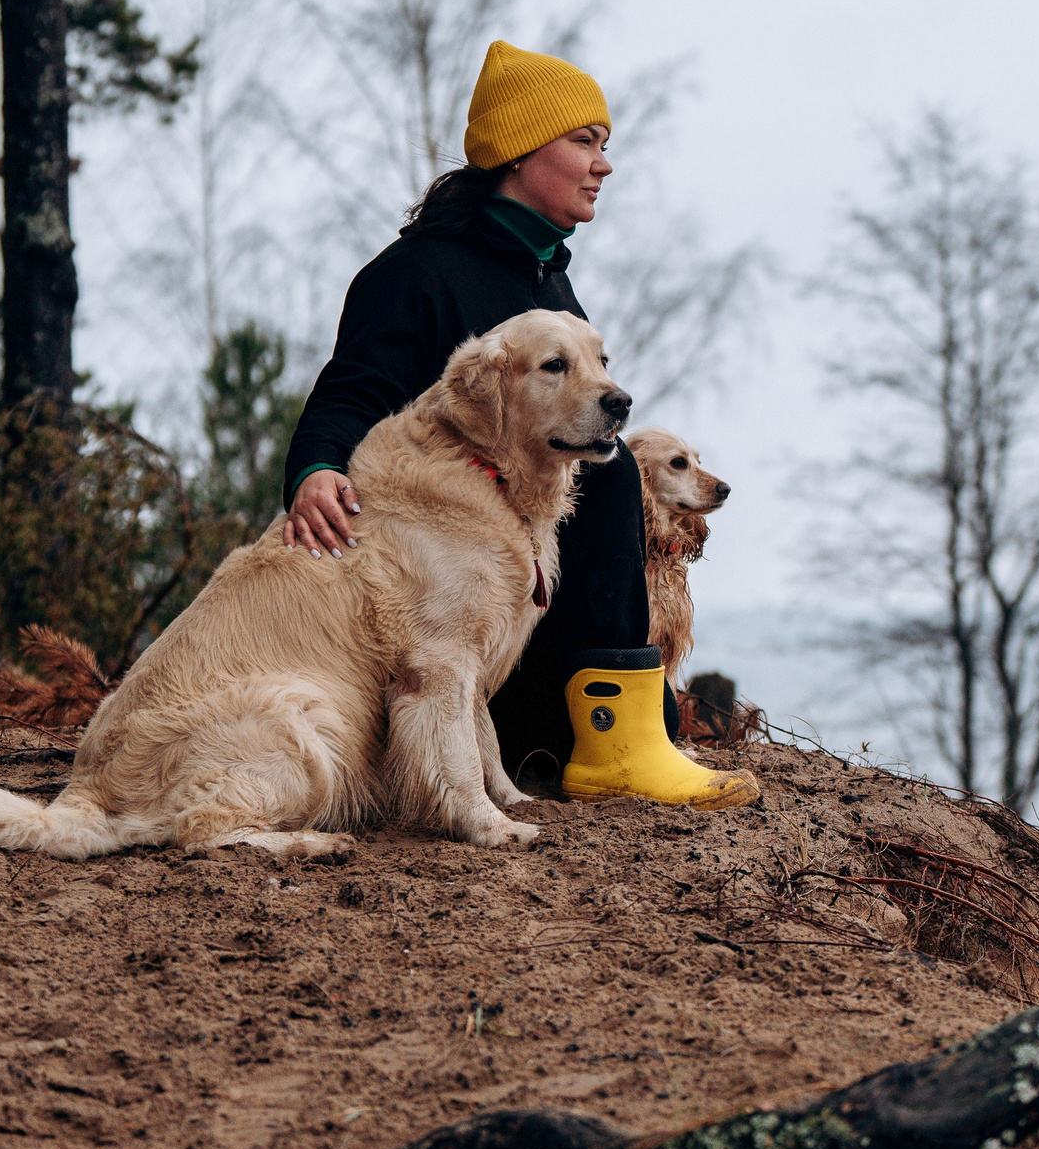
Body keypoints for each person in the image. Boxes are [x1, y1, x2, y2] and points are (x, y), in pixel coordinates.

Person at [278, 40, 758, 810]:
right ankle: (607, 747)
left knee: (604, 469)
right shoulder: (413, 274)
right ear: (520, 151)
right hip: (441, 611)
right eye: (585, 142)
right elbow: (352, 390)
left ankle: (626, 735)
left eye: (605, 145)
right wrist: (316, 468)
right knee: (604, 481)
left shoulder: (548, 278)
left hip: (516, 607)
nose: (603, 165)